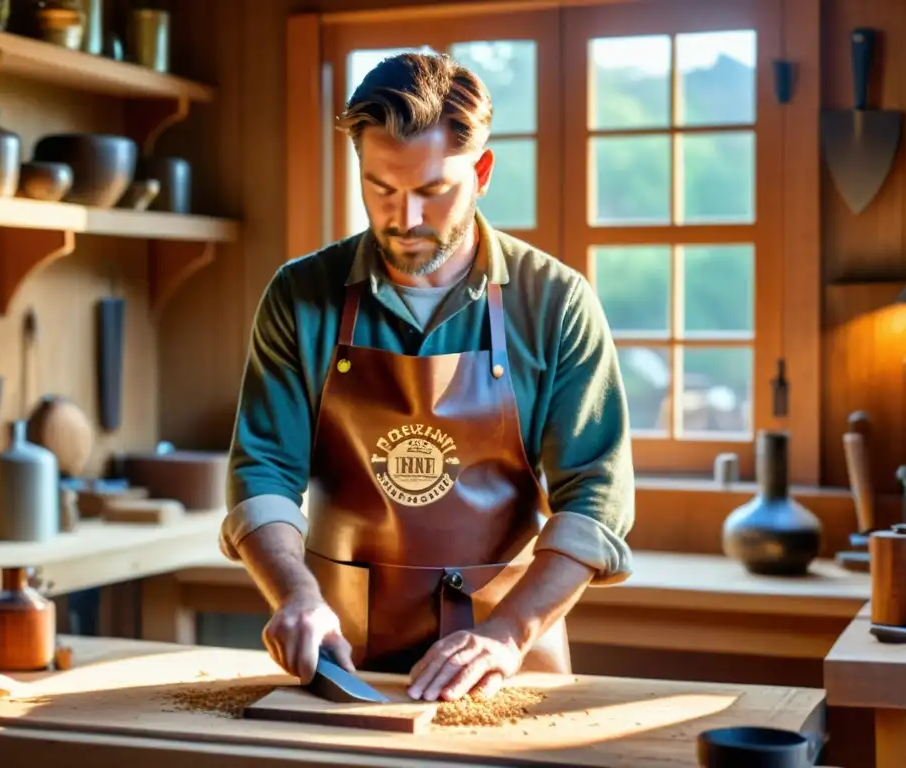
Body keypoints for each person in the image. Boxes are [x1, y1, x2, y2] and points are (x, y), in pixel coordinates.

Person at [220, 51, 635, 703]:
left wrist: (509, 632)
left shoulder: (556, 301)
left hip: (508, 658)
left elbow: (595, 498)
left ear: (483, 172)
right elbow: (264, 470)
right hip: (340, 657)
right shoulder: (300, 295)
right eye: (381, 187)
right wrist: (296, 594)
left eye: (432, 190)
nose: (405, 217)